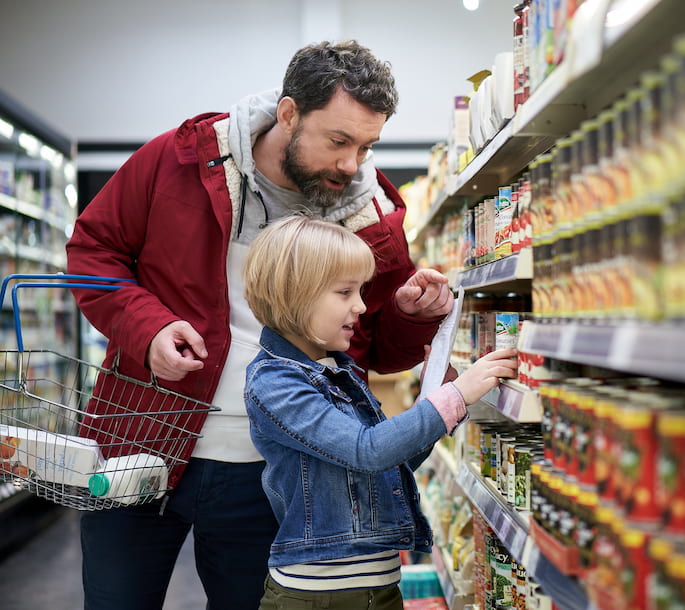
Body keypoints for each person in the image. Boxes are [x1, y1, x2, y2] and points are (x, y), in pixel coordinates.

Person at [66, 41, 454, 610]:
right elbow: (92, 252)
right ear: (289, 114)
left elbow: (380, 351)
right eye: (338, 141)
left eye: (366, 146)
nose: (352, 165)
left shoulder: (370, 214)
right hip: (140, 442)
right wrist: (148, 330)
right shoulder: (180, 161)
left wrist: (410, 316)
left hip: (277, 475)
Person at [242, 216, 517, 610]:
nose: (360, 306)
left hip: (379, 588)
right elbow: (367, 450)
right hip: (318, 597)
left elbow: (391, 462)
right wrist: (455, 395)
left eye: (360, 291)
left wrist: (436, 399)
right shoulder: (275, 382)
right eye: (345, 292)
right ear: (293, 295)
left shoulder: (339, 371)